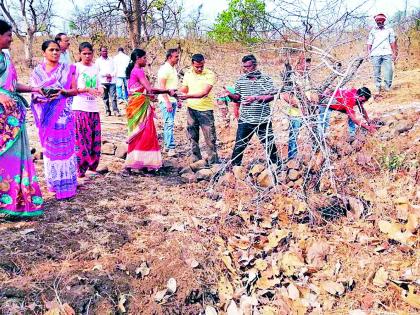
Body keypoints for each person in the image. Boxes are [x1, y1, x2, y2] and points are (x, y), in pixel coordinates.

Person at [0, 20, 44, 217]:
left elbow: (13, 85)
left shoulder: (6, 58)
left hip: (14, 118)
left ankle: (15, 201)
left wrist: (34, 88)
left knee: (16, 159)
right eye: (8, 35)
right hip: (2, 120)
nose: (11, 39)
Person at [30, 40, 78, 200]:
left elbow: (74, 90)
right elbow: (34, 94)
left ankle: (68, 185)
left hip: (64, 115)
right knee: (51, 151)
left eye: (57, 50)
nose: (55, 53)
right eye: (51, 50)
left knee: (65, 150)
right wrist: (41, 98)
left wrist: (64, 92)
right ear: (44, 52)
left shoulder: (68, 69)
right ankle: (53, 183)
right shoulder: (37, 72)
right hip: (47, 116)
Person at [123, 49, 176, 175]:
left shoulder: (135, 71)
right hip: (138, 106)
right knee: (145, 133)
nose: (146, 60)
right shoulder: (138, 71)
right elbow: (149, 89)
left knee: (141, 133)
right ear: (138, 59)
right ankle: (134, 163)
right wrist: (167, 91)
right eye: (144, 58)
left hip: (138, 105)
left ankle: (142, 163)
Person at [222, 55, 279, 167]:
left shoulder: (266, 79)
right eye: (244, 67)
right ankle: (234, 168)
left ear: (255, 65)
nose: (246, 69)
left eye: (249, 67)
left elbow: (271, 96)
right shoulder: (240, 80)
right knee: (239, 146)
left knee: (270, 145)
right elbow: (238, 97)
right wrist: (230, 95)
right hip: (246, 119)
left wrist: (255, 98)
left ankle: (276, 167)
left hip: (263, 119)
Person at [178, 54, 219, 164]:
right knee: (192, 135)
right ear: (192, 64)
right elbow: (185, 88)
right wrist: (176, 93)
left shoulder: (210, 74)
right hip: (191, 109)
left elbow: (204, 93)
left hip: (205, 110)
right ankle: (196, 159)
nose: (200, 68)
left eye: (202, 66)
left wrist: (186, 96)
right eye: (197, 67)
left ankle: (213, 162)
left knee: (210, 138)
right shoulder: (188, 73)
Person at [72, 42, 103, 181]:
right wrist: (86, 89)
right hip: (80, 108)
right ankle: (80, 169)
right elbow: (72, 90)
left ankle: (92, 166)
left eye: (89, 53)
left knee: (93, 139)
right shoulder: (76, 67)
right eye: (84, 53)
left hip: (93, 108)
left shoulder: (96, 67)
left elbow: (99, 84)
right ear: (79, 54)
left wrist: (101, 89)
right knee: (81, 140)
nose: (87, 56)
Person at [367, 13, 398, 93]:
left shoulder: (389, 30)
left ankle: (387, 87)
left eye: (380, 20)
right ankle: (378, 87)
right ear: (376, 21)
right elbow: (369, 43)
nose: (379, 22)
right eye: (377, 20)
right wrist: (368, 53)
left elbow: (392, 42)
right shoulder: (373, 31)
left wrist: (394, 53)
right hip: (375, 54)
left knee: (389, 70)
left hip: (387, 53)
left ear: (384, 21)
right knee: (376, 71)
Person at [157, 48, 179, 157]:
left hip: (173, 99)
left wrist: (177, 99)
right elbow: (162, 87)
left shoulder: (173, 69)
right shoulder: (164, 69)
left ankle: (167, 144)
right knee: (169, 123)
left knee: (169, 123)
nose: (178, 58)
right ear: (169, 57)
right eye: (176, 56)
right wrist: (167, 101)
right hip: (166, 100)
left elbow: (173, 87)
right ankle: (170, 147)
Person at [96, 46, 120, 116]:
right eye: (103, 51)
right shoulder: (98, 61)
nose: (105, 52)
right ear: (100, 52)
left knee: (113, 97)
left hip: (112, 81)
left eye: (106, 51)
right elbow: (97, 71)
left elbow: (116, 69)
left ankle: (116, 111)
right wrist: (105, 75)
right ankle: (107, 111)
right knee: (105, 97)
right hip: (103, 81)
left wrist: (111, 75)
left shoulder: (112, 60)